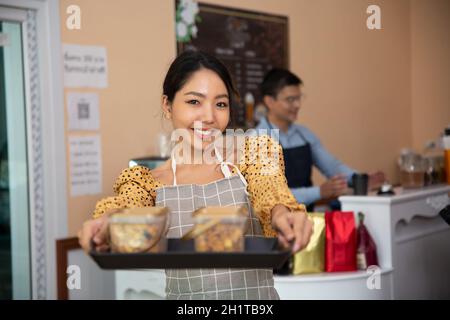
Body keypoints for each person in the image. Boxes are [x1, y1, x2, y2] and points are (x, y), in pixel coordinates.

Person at [78, 51, 312, 300]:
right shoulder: (148, 182)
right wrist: (105, 224)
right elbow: (125, 206)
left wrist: (283, 215)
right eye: (194, 102)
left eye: (220, 104)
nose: (210, 117)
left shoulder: (252, 155)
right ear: (167, 106)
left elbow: (270, 189)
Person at [256, 68, 385, 210]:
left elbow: (333, 167)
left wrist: (361, 179)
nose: (297, 105)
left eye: (299, 98)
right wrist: (319, 192)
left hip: (305, 220)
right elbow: (270, 195)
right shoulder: (257, 139)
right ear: (269, 101)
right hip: (270, 227)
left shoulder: (304, 134)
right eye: (290, 100)